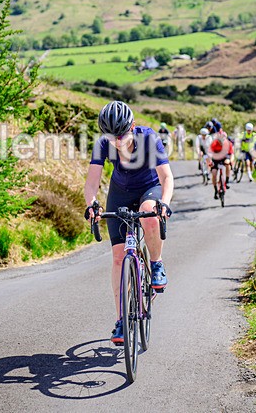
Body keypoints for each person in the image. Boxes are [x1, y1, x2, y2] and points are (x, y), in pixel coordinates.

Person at [84, 101, 174, 344]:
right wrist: (92, 204)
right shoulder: (104, 144)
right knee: (117, 256)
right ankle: (122, 320)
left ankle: (156, 264)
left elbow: (166, 177)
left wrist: (163, 203)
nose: (117, 141)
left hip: (149, 188)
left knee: (149, 213)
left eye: (121, 135)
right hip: (120, 192)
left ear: (132, 127)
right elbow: (92, 182)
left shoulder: (148, 139)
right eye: (111, 136)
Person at [207, 128, 234, 199]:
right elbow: (209, 153)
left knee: (227, 164)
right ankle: (216, 190)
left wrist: (230, 160)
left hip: (224, 157)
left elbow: (232, 154)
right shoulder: (214, 143)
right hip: (215, 158)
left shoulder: (228, 143)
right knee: (214, 173)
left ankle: (227, 181)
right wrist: (210, 162)